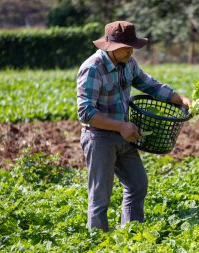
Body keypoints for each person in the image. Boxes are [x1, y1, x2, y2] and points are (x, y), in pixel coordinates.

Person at [77, 20, 192, 232]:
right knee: (100, 196)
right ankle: (97, 241)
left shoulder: (129, 63)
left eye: (132, 46)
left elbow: (151, 85)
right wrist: (120, 126)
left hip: (124, 135)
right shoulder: (93, 68)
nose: (130, 51)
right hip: (99, 138)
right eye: (125, 47)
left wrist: (180, 99)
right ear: (110, 47)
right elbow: (86, 112)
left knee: (137, 185)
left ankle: (131, 235)